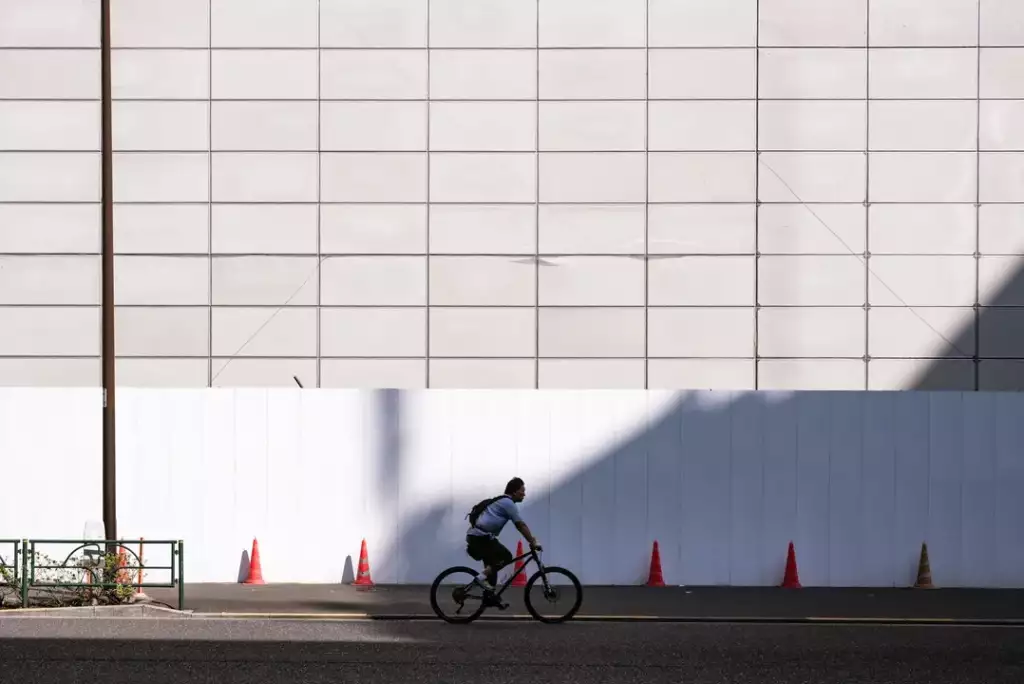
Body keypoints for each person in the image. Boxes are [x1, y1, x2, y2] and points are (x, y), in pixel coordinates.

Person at [466, 477, 541, 606]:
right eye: (522, 491)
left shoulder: (504, 501)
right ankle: (480, 579)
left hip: (481, 537)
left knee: (491, 571)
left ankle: (489, 598)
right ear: (514, 492)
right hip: (480, 537)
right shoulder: (508, 503)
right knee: (506, 557)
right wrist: (532, 541)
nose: (524, 494)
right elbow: (520, 525)